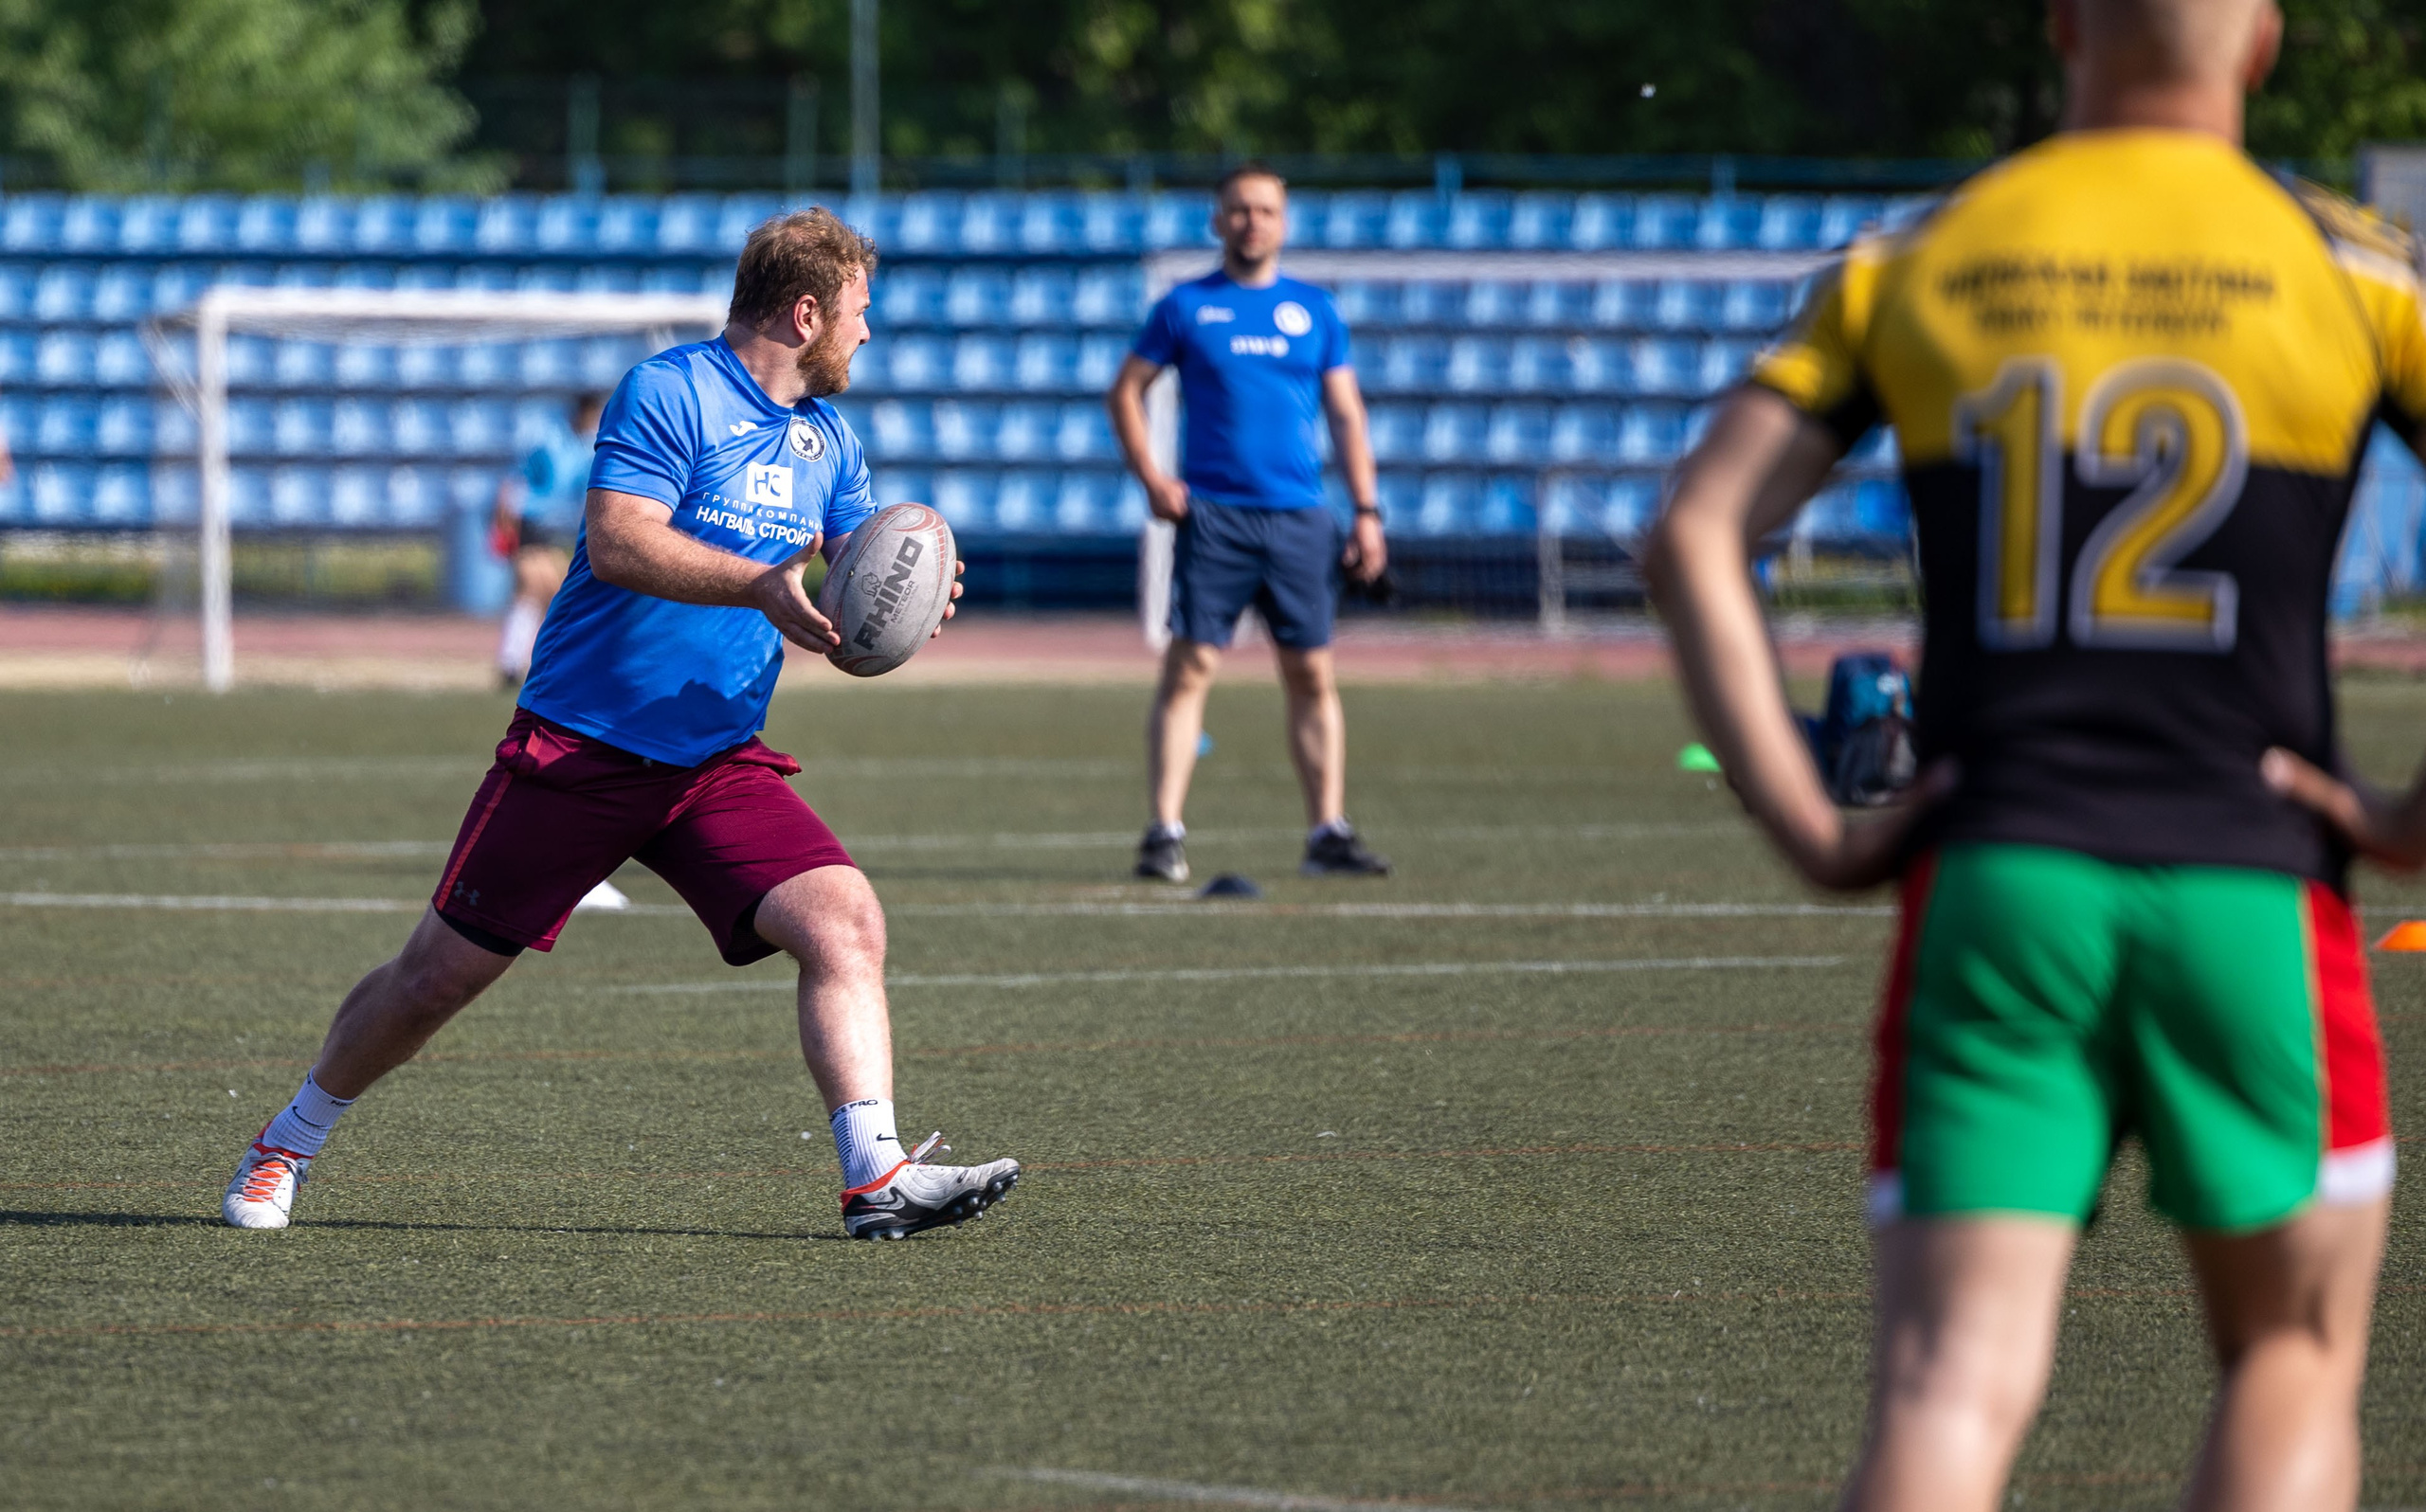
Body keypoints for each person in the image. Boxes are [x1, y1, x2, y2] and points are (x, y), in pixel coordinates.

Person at [1646, 2, 2402, 1505]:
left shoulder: (1919, 259)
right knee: (2290, 1361)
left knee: (1951, 1386)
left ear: (2064, 26)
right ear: (2263, 40)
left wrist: (1815, 828)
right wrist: (2410, 818)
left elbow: (1694, 530)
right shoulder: (2353, 266)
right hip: (2248, 884)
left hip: (1997, 878)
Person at [222, 208, 1018, 1243]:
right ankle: (288, 1138)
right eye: (860, 313)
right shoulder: (670, 391)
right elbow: (620, 541)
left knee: (844, 920)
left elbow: (850, 574)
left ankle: (875, 1175)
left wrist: (896, 609)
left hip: (715, 759)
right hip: (583, 748)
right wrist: (762, 589)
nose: (868, 336)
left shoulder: (831, 440)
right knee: (433, 981)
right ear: (807, 310)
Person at [1108, 162, 1391, 884]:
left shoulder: (1315, 311)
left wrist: (1365, 510)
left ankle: (1327, 830)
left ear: (1283, 222)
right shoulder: (1186, 307)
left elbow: (1347, 415)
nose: (1252, 222)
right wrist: (1152, 477)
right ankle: (1164, 831)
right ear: (1217, 220)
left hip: (1301, 518)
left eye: (1265, 210)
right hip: (1216, 516)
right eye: (1239, 209)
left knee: (1311, 673)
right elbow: (1126, 393)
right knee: (1191, 666)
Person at [492, 390, 606, 688]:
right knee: (535, 586)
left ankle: (519, 662)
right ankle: (514, 663)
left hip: (555, 528)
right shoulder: (548, 442)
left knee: (547, 593)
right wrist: (504, 525)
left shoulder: (587, 448)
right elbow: (515, 482)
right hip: (529, 522)